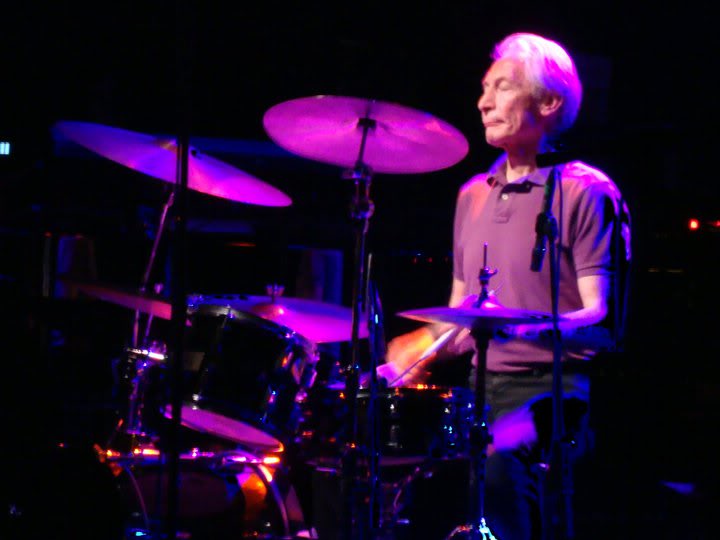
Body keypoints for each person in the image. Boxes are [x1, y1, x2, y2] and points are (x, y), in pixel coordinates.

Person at [382, 32, 631, 539]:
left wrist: (517, 329)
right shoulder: (472, 194)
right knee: (387, 452)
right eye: (483, 88)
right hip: (479, 388)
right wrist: (416, 350)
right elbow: (461, 315)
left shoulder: (586, 191)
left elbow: (602, 321)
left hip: (554, 391)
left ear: (549, 102)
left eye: (502, 87)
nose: (483, 102)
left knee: (496, 461)